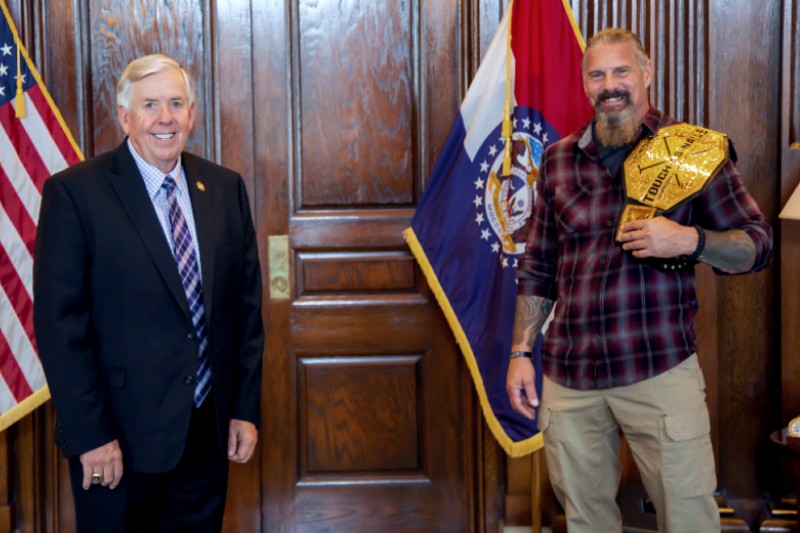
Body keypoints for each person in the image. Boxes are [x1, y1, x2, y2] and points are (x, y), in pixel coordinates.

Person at [505, 29, 772, 533]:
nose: (611, 85)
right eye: (598, 74)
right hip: (570, 376)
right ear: (585, 84)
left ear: (646, 74)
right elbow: (538, 265)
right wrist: (522, 352)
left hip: (658, 369)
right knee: (586, 522)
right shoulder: (558, 160)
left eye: (622, 71)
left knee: (689, 519)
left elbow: (757, 245)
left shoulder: (691, 150)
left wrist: (688, 240)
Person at [33, 54, 264, 532]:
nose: (165, 118)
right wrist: (91, 435)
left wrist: (243, 409)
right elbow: (60, 330)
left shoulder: (224, 189)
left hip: (205, 434)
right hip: (117, 441)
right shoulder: (76, 194)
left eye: (176, 103)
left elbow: (243, 313)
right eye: (151, 105)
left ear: (192, 113)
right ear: (124, 116)